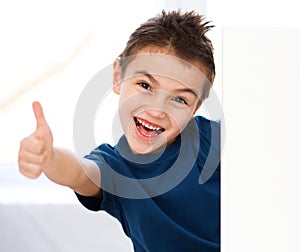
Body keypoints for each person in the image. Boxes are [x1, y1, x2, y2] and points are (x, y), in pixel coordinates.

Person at [18, 9, 220, 252]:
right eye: (145, 85)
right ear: (118, 75)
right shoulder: (117, 168)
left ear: (195, 107)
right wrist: (49, 157)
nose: (156, 111)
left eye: (179, 100)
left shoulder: (212, 140)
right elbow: (81, 173)